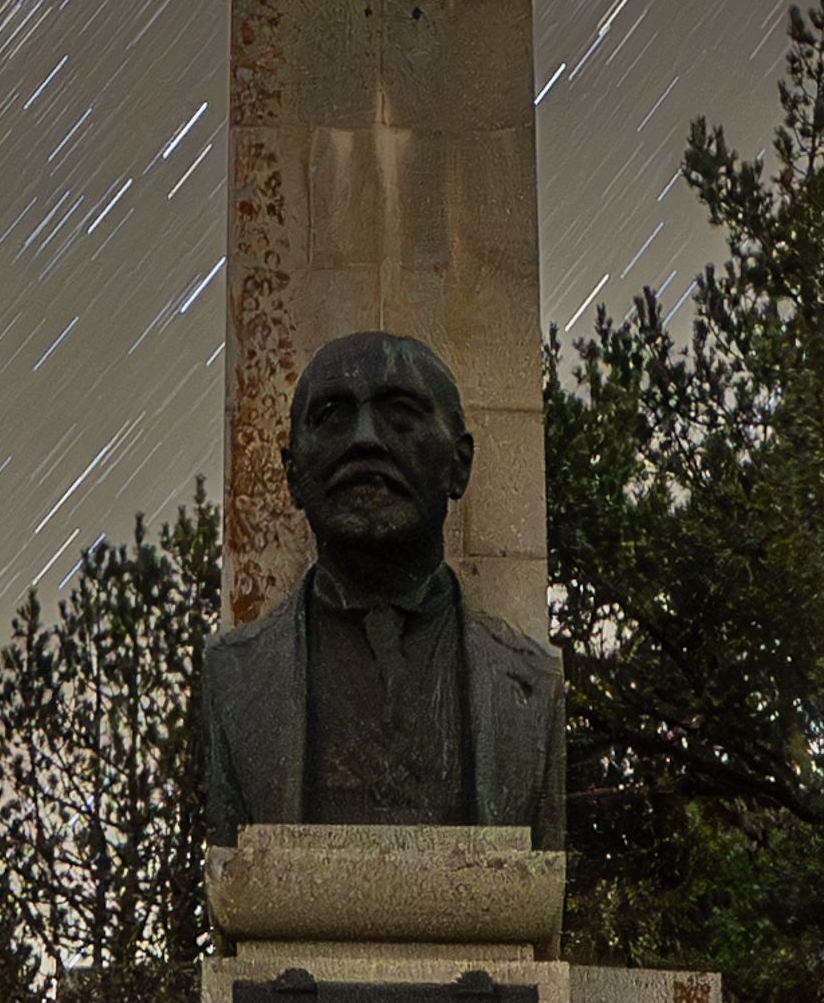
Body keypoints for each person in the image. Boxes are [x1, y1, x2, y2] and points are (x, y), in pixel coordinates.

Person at [201, 331, 563, 849]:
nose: (365, 439)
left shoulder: (533, 683)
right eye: (332, 415)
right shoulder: (234, 676)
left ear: (459, 464)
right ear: (293, 474)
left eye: (401, 414)